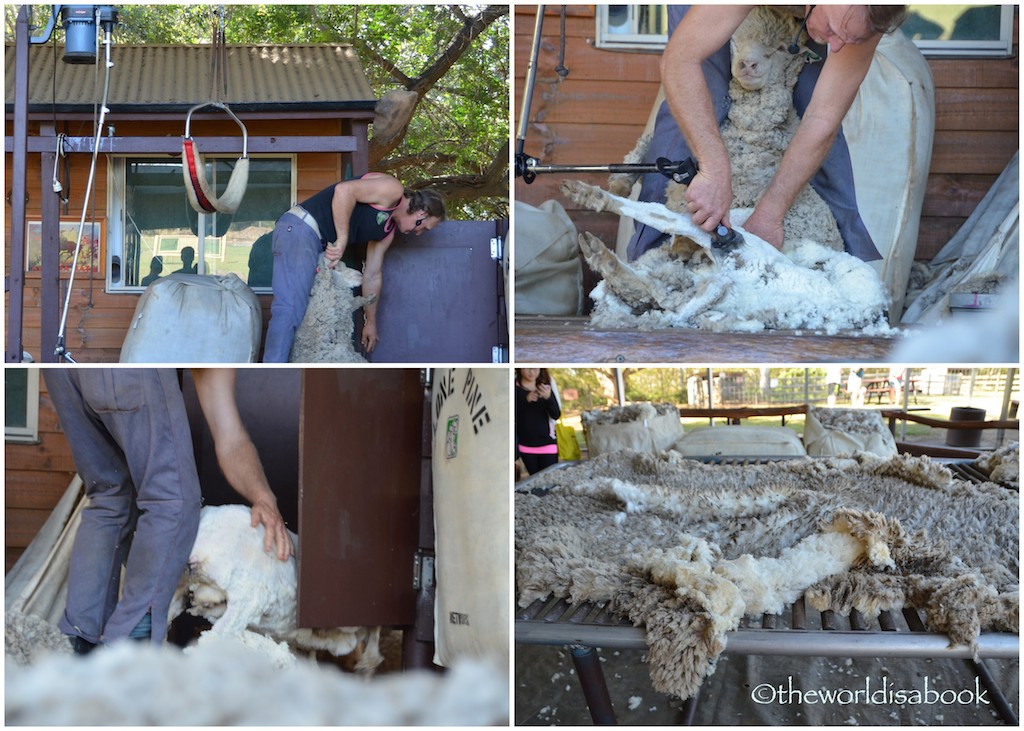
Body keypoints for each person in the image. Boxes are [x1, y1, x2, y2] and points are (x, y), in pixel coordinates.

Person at [628, 5, 908, 262]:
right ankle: (653, 260)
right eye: (836, 30)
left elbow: (823, 118)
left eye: (851, 38)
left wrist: (771, 215)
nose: (835, 45)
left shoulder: (866, 16)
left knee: (809, 108)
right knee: (705, 102)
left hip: (819, 12)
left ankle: (838, 269)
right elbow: (680, 60)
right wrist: (714, 169)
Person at [43, 368, 292, 654]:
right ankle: (129, 647)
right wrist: (263, 495)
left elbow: (231, 439)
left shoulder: (203, 360)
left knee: (110, 495)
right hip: (124, 373)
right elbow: (229, 435)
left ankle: (76, 645)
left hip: (64, 372)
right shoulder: (208, 349)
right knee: (172, 499)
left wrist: (262, 496)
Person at [262, 173, 446, 362]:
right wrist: (342, 239)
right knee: (291, 306)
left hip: (316, 242)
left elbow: (372, 276)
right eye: (423, 227)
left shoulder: (387, 232)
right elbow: (344, 190)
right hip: (301, 229)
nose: (418, 233)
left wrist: (371, 322)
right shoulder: (393, 189)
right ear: (421, 213)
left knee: (307, 312)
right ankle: (274, 370)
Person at [515, 368, 561, 476]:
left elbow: (556, 415)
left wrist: (548, 398)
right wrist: (526, 400)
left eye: (535, 368)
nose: (532, 371)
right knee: (535, 481)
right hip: (525, 446)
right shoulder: (513, 387)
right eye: (527, 368)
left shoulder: (546, 386)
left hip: (548, 444)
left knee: (550, 480)